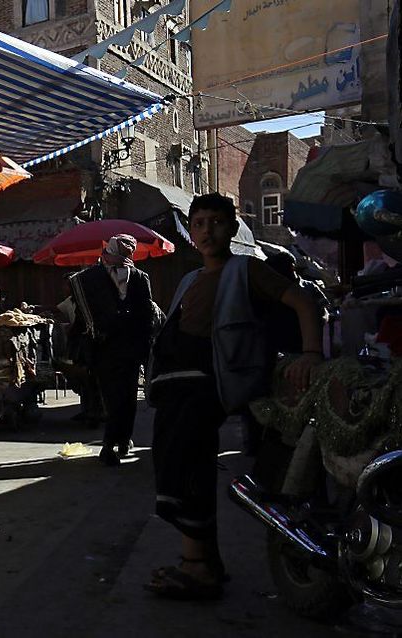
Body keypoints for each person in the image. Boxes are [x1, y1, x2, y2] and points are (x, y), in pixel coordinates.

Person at [145, 194, 322, 600]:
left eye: (217, 222)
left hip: (207, 384)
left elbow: (303, 302)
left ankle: (196, 569)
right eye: (200, 223)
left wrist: (311, 354)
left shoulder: (248, 270)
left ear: (233, 228)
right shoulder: (189, 279)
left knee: (188, 466)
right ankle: (207, 562)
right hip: (176, 387)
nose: (208, 231)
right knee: (180, 466)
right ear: (190, 231)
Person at [70, 234, 154, 466]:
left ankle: (114, 442)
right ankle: (118, 440)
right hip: (113, 348)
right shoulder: (90, 279)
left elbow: (145, 315)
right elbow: (146, 315)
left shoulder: (92, 278)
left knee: (119, 396)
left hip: (116, 348)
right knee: (120, 396)